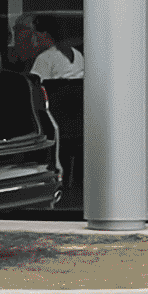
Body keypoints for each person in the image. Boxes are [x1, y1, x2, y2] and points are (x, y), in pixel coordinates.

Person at [21, 15, 87, 183]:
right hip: (77, 122)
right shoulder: (77, 54)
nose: (34, 39)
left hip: (55, 123)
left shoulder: (46, 59)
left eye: (36, 35)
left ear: (46, 35)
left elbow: (32, 90)